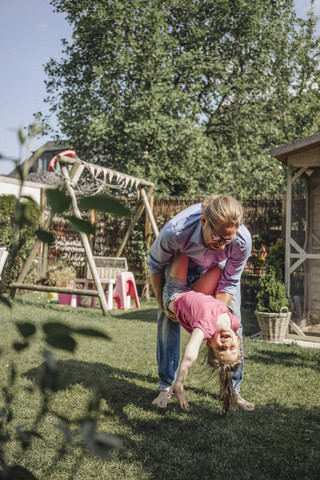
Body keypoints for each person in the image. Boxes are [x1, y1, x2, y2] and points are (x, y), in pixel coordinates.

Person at [146, 194, 254, 411]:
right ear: (204, 221)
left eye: (228, 240)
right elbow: (155, 267)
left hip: (214, 273)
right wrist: (161, 305)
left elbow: (230, 280)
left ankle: (233, 390)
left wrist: (212, 322)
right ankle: (166, 386)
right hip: (181, 263)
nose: (223, 245)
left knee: (236, 324)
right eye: (219, 238)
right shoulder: (176, 231)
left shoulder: (240, 241)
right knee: (168, 319)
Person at [163, 252, 242, 413]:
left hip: (175, 293)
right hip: (197, 293)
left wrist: (180, 380)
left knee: (184, 248)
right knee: (222, 268)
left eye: (220, 349)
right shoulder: (234, 322)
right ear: (238, 341)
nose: (226, 345)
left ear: (209, 342)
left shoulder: (206, 327)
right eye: (232, 348)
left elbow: (191, 352)